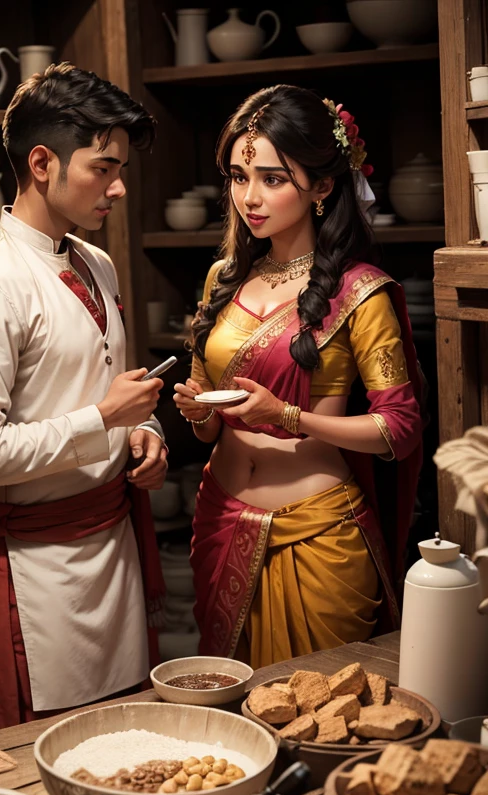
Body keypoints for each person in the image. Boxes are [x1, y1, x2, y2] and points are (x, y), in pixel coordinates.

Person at [0, 63, 167, 738]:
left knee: (129, 746)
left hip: (111, 550)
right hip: (39, 576)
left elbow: (109, 390)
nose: (119, 187)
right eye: (104, 168)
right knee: (51, 760)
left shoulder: (96, 262)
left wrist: (143, 432)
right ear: (42, 163)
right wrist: (105, 419)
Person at [174, 84, 423, 667]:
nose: (249, 197)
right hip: (222, 518)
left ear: (323, 185)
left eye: (272, 178)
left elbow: (400, 428)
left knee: (321, 720)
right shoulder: (222, 281)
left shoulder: (358, 292)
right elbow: (209, 431)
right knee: (235, 728)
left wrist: (285, 416)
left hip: (318, 536)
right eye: (238, 177)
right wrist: (200, 412)